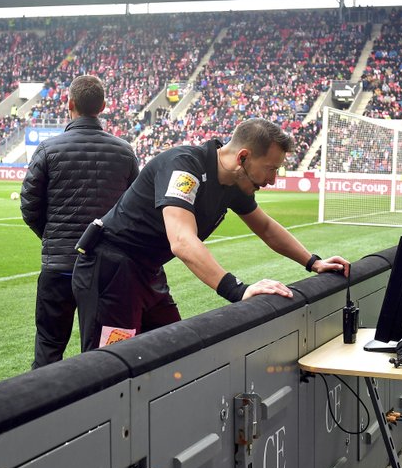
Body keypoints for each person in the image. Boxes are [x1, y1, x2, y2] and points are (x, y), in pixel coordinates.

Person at [72, 118, 350, 352]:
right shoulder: (185, 166)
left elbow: (265, 227)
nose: (273, 180)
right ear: (243, 157)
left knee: (175, 353)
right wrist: (239, 291)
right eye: (271, 168)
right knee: (109, 370)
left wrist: (313, 262)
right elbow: (182, 241)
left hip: (147, 272)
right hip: (110, 271)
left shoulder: (234, 183)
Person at [21, 75, 139, 368]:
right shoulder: (124, 151)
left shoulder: (49, 150)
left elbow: (29, 207)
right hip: (106, 271)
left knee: (48, 349)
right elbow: (134, 211)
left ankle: (45, 410)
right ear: (103, 106)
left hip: (59, 266)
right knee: (105, 354)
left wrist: (53, 237)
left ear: (69, 104)